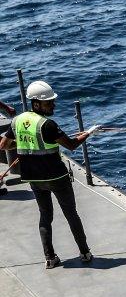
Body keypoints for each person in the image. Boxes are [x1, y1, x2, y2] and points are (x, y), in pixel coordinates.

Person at [0, 81, 97, 267]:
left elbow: (3, 145)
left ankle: (50, 258)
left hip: (33, 179)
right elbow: (71, 145)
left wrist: (21, 143)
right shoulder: (48, 125)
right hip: (57, 178)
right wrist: (89, 133)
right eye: (49, 103)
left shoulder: (18, 120)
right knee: (71, 214)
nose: (53, 105)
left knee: (45, 215)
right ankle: (85, 253)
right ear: (36, 104)